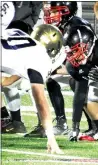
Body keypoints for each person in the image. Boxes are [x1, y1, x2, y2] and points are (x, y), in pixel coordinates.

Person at [1, 1, 65, 154]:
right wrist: (51, 138)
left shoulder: (22, 37)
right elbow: (41, 101)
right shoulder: (39, 57)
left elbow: (11, 70)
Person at [24, 1, 95, 137]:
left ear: (67, 11)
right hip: (75, 64)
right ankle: (61, 123)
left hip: (87, 67)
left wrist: (55, 69)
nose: (51, 14)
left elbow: (81, 58)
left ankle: (94, 125)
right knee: (52, 81)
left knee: (73, 84)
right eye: (51, 11)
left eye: (56, 11)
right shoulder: (64, 24)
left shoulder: (76, 26)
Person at [1, 1, 42, 134]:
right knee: (7, 80)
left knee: (32, 83)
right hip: (9, 30)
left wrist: (29, 24)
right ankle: (14, 121)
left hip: (23, 29)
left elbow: (36, 8)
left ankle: (42, 123)